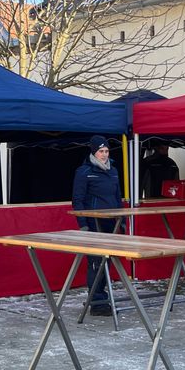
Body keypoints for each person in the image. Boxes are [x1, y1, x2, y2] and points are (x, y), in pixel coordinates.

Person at [72, 135, 123, 316]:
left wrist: (121, 221)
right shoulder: (84, 172)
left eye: (107, 151)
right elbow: (77, 200)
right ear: (94, 152)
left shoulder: (113, 171)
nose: (104, 154)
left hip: (111, 223)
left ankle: (102, 295)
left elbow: (117, 198)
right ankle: (97, 302)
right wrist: (83, 225)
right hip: (94, 223)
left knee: (107, 261)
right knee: (96, 262)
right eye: (101, 151)